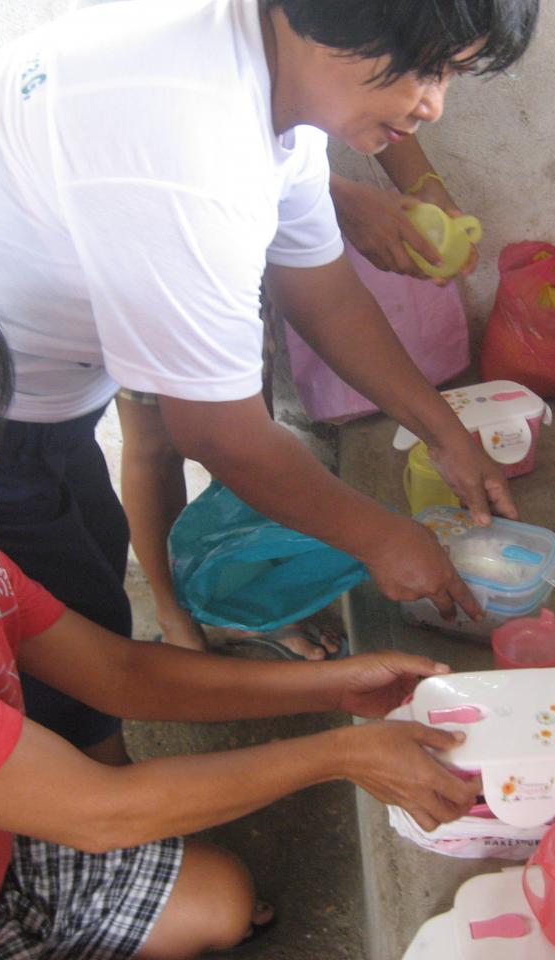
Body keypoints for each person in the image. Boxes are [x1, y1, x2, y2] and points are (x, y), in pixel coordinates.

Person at [0, 0, 540, 762]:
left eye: (449, 75)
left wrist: (445, 432)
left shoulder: (262, 78)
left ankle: (85, 782)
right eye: (422, 69)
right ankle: (91, 813)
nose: (432, 105)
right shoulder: (190, 143)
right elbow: (219, 435)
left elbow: (322, 291)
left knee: (83, 575)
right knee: (57, 633)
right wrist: (384, 539)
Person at [0, 253, 479, 960]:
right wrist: (341, 754)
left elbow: (118, 672)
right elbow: (99, 812)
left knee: (218, 898)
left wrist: (332, 685)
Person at [118, 133, 481, 658]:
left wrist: (421, 184)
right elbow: (214, 437)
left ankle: (252, 591)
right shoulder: (202, 82)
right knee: (158, 442)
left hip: (239, 233)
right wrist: (340, 196)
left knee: (251, 419)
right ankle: (175, 615)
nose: (430, 108)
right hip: (153, 246)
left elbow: (326, 301)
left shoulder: (302, 125)